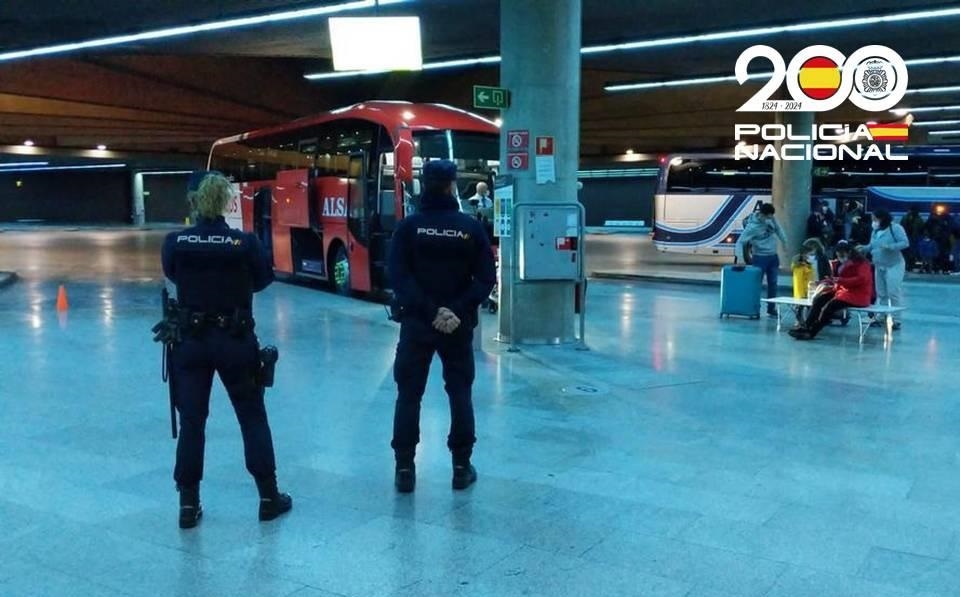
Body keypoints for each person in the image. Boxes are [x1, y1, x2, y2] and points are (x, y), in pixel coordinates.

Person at [161, 172, 291, 529]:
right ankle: (268, 498)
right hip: (234, 341)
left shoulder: (176, 242)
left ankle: (188, 505)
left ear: (193, 202)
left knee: (192, 422)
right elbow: (264, 279)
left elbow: (173, 275)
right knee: (252, 417)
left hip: (191, 342)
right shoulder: (245, 243)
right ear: (226, 202)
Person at [388, 159, 496, 494]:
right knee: (460, 393)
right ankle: (461, 468)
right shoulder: (470, 228)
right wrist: (456, 310)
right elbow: (485, 277)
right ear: (451, 186)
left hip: (417, 325)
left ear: (424, 184)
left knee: (409, 395)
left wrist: (430, 310)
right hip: (458, 327)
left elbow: (398, 276)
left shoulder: (409, 227)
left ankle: (405, 469)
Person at [789, 245, 873, 340]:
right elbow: (837, 280)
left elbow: (861, 279)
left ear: (849, 253)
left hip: (857, 295)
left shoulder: (862, 264)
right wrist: (825, 282)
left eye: (842, 256)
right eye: (838, 256)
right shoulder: (839, 264)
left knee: (830, 306)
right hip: (843, 291)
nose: (840, 258)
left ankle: (812, 331)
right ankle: (806, 326)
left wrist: (840, 280)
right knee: (819, 300)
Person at [735, 203, 787, 317]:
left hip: (773, 257)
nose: (770, 219)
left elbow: (778, 229)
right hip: (760, 258)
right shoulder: (752, 227)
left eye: (771, 217)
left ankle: (771, 308)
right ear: (762, 215)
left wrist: (785, 242)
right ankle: (754, 308)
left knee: (773, 284)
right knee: (756, 284)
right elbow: (740, 242)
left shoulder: (771, 218)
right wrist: (740, 258)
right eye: (768, 217)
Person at [861, 208, 909, 329]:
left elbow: (905, 242)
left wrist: (890, 246)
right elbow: (872, 245)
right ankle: (880, 317)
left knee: (893, 292)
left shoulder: (896, 228)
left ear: (882, 219)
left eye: (875, 219)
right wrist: (863, 248)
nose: (873, 222)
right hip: (879, 264)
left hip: (894, 264)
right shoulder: (875, 231)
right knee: (881, 293)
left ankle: (896, 319)